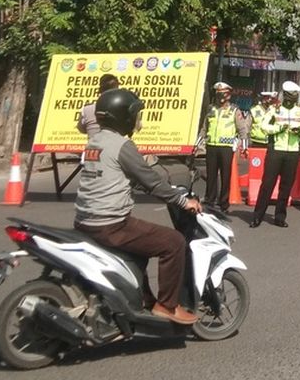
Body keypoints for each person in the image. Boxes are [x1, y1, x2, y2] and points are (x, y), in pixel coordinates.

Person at [74, 88, 203, 325]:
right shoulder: (122, 146)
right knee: (173, 242)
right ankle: (167, 306)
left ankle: (143, 298)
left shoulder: (95, 141)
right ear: (123, 116)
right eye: (135, 115)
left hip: (85, 220)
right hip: (111, 224)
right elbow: (151, 180)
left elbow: (117, 176)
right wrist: (184, 201)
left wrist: (143, 185)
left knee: (140, 248)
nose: (137, 120)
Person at [250, 80, 300, 228]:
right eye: (289, 96)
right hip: (276, 150)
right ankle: (257, 216)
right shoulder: (274, 110)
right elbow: (264, 126)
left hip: (293, 152)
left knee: (286, 186)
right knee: (267, 184)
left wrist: (299, 130)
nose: (292, 99)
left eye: (294, 97)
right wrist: (279, 128)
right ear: (285, 96)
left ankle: (280, 217)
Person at [201, 81, 247, 213]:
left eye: (222, 94)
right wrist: (198, 143)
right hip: (212, 146)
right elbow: (205, 128)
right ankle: (210, 200)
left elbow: (242, 129)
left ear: (228, 95)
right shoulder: (211, 109)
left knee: (226, 176)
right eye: (217, 93)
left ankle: (224, 203)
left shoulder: (234, 110)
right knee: (211, 175)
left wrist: (244, 147)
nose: (219, 96)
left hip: (226, 147)